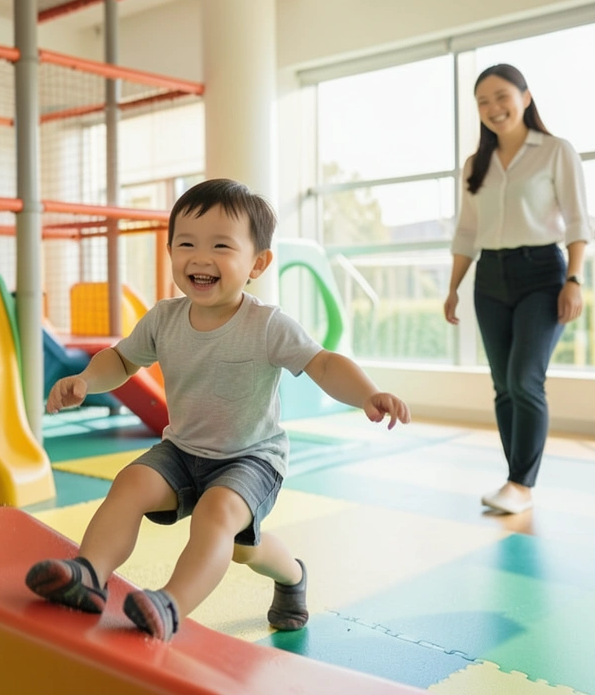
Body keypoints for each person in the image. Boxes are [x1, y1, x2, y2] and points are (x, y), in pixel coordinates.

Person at [26, 178, 411, 642]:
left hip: (250, 458)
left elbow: (324, 363)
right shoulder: (164, 318)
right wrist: (87, 380)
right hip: (182, 449)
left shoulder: (267, 325)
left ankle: (189, 600)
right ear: (170, 251)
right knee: (130, 484)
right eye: (186, 243)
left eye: (221, 246)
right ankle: (89, 574)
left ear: (257, 263)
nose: (200, 257)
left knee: (231, 533)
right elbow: (123, 360)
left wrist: (368, 394)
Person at [444, 63, 593, 516]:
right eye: (483, 102)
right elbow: (467, 231)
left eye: (502, 97)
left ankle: (520, 484)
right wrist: (453, 288)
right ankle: (515, 480)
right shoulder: (475, 165)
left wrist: (574, 280)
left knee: (525, 379)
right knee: (503, 386)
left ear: (525, 98)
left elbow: (577, 220)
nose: (493, 108)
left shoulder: (555, 151)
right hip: (489, 276)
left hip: (542, 274)